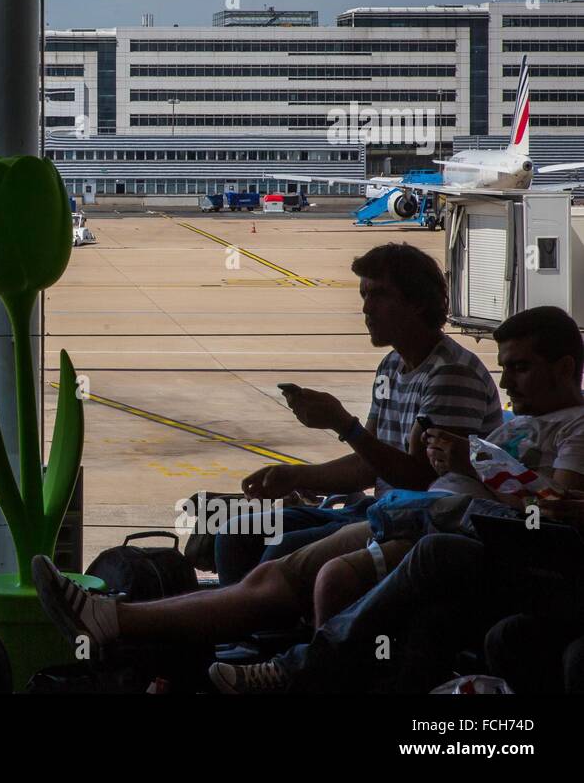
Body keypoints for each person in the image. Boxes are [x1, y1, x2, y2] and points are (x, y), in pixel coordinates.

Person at [209, 305, 584, 693]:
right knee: (253, 539)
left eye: (520, 368)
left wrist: (472, 466)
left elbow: (553, 513)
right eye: (503, 368)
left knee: (388, 562)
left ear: (563, 367)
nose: (505, 383)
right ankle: (270, 657)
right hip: (429, 516)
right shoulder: (516, 422)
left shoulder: (574, 425)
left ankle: (301, 668)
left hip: (479, 538)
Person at [215, 243, 502, 584]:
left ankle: (266, 625)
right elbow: (370, 464)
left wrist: (343, 424)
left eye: (379, 295)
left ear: (418, 302)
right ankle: (247, 623)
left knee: (284, 548)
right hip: (378, 509)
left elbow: (422, 480)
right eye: (364, 295)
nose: (366, 308)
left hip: (414, 521)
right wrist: (296, 476)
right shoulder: (392, 365)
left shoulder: (452, 375)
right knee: (236, 533)